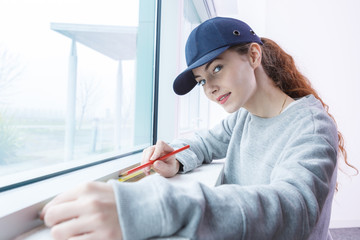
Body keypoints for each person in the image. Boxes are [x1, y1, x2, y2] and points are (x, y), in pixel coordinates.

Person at [40, 17, 357, 240]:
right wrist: (175, 158)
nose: (209, 88)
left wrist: (163, 206)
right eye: (203, 80)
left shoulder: (312, 126)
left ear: (253, 55)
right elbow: (207, 143)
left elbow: (293, 211)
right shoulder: (244, 116)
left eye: (217, 68)